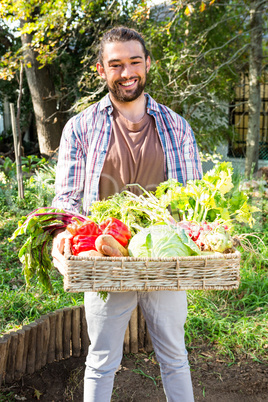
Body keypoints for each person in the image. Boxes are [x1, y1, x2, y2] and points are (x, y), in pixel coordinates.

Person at [52, 26, 202, 402]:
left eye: (135, 61)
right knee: (101, 359)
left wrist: (201, 231)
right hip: (106, 257)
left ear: (148, 64)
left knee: (174, 356)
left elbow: (192, 201)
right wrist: (63, 234)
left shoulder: (176, 127)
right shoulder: (81, 128)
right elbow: (68, 200)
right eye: (116, 64)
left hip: (163, 257)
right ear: (102, 70)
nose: (127, 71)